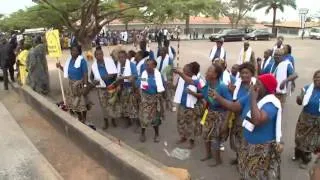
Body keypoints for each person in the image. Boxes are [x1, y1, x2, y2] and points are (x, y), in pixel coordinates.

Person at [213, 73, 283, 179]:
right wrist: (218, 98)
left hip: (261, 149)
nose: (255, 87)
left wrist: (253, 99)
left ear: (267, 88)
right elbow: (234, 106)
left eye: (259, 84)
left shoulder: (271, 103)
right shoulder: (251, 95)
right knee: (245, 169)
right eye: (256, 83)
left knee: (256, 174)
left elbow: (257, 120)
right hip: (246, 143)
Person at [174, 63, 232, 167]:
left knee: (215, 139)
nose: (206, 72)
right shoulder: (207, 84)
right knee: (205, 135)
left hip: (220, 116)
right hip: (209, 113)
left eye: (209, 70)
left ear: (215, 75)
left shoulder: (222, 87)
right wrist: (179, 73)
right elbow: (190, 80)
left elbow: (230, 106)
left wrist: (225, 123)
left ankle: (218, 160)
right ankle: (208, 155)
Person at [229, 62, 256, 165]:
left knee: (245, 141)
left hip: (248, 118)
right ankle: (238, 158)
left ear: (252, 74)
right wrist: (231, 91)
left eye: (247, 73)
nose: (244, 75)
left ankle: (243, 162)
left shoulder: (255, 86)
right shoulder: (237, 83)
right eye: (242, 73)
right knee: (236, 138)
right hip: (236, 116)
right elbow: (234, 99)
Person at [56, 45, 91, 125]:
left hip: (80, 85)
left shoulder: (82, 61)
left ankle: (84, 118)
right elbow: (67, 71)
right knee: (73, 104)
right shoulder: (70, 60)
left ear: (79, 52)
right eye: (71, 50)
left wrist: (85, 86)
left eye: (75, 51)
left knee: (82, 103)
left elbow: (85, 74)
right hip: (71, 85)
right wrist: (60, 66)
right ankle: (79, 116)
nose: (73, 52)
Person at [293, 70, 320, 169]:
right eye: (316, 77)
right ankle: (298, 154)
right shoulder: (307, 88)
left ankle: (306, 160)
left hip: (317, 121)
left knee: (310, 142)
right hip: (304, 118)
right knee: (299, 137)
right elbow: (300, 101)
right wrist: (299, 99)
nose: (318, 79)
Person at [173, 63, 202, 149]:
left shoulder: (198, 81)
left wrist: (192, 93)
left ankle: (191, 141)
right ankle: (183, 137)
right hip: (182, 104)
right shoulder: (182, 79)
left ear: (192, 72)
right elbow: (176, 88)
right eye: (183, 70)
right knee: (180, 121)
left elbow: (202, 94)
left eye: (186, 71)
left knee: (191, 124)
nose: (184, 72)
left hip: (191, 107)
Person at [90, 46, 118, 129]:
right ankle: (106, 121)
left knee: (112, 103)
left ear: (103, 54)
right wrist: (93, 82)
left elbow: (115, 73)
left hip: (110, 86)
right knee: (103, 105)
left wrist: (108, 77)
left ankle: (113, 120)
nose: (99, 55)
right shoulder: (94, 65)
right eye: (97, 54)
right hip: (101, 88)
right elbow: (91, 77)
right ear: (95, 56)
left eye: (100, 54)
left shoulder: (109, 61)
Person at [138, 59, 166, 143]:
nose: (147, 67)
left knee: (155, 119)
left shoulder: (158, 75)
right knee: (144, 118)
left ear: (154, 66)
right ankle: (142, 133)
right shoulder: (144, 74)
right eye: (147, 65)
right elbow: (142, 86)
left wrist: (162, 100)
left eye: (150, 65)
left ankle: (156, 134)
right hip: (145, 98)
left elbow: (162, 87)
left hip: (155, 99)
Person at [116, 50, 139, 128]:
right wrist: (119, 85)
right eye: (119, 57)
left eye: (122, 57)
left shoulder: (131, 65)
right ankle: (128, 121)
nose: (121, 59)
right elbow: (118, 77)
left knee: (133, 105)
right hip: (123, 87)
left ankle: (137, 123)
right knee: (124, 105)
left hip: (131, 87)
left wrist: (125, 77)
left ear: (126, 57)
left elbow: (135, 75)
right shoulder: (119, 65)